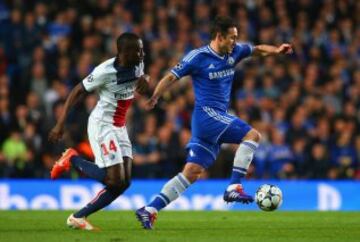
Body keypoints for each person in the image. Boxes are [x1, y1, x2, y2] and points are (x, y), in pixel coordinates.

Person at [135, 16, 293, 229]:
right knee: (253, 135)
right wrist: (155, 96)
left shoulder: (234, 52)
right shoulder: (198, 57)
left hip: (209, 123)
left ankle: (149, 209)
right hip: (207, 115)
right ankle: (234, 186)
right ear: (219, 36)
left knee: (191, 172)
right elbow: (172, 76)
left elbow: (256, 50)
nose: (235, 42)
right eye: (231, 38)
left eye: (236, 38)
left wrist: (276, 50)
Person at [49, 32, 148, 230]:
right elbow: (77, 90)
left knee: (124, 183)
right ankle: (72, 159)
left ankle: (78, 217)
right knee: (114, 179)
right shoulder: (104, 70)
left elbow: (141, 76)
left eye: (142, 49)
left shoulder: (138, 63)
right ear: (123, 53)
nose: (142, 54)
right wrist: (60, 123)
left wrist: (146, 77)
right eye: (138, 50)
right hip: (102, 125)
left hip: (120, 126)